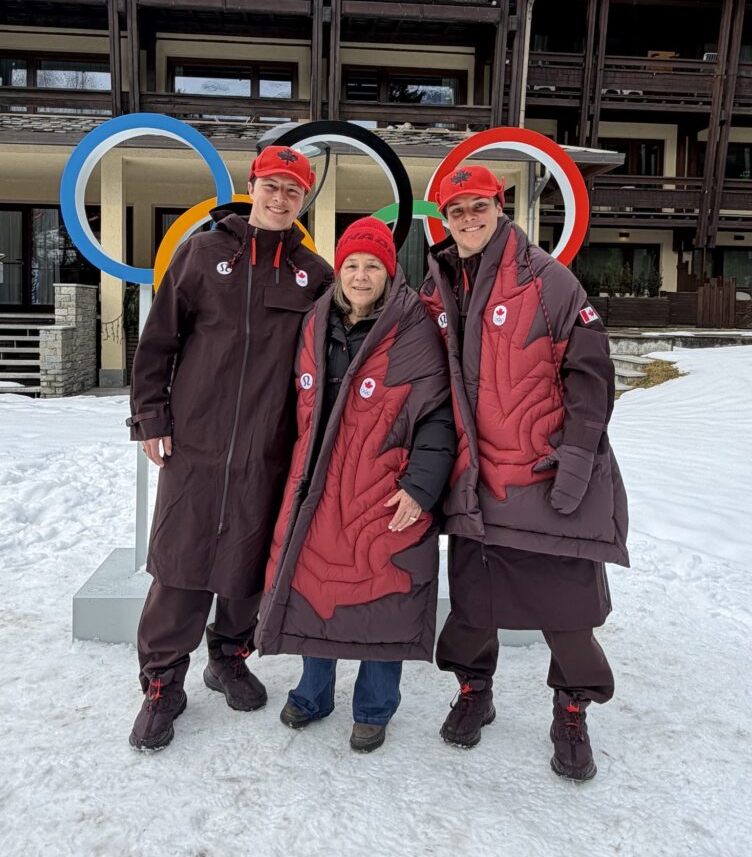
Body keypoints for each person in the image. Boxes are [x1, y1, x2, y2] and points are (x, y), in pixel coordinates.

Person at [419, 164, 629, 781]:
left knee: (566, 612)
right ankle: (474, 691)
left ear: (500, 206)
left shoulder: (549, 280)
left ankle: (571, 709)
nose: (467, 218)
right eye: (456, 210)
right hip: (475, 479)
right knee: (473, 606)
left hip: (541, 473)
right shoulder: (438, 284)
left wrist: (578, 459)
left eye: (477, 206)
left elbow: (592, 375)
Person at [126, 144, 333, 751]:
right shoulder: (203, 251)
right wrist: (150, 416)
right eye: (273, 186)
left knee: (248, 563)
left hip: (270, 448)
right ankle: (163, 684)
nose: (280, 198)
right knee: (180, 564)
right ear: (254, 185)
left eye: (293, 191)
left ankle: (229, 657)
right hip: (196, 441)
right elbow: (159, 340)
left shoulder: (313, 274)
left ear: (303, 202)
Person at [256, 217, 456, 753]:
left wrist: (421, 486)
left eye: (372, 265)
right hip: (317, 486)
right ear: (339, 270)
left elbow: (436, 417)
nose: (361, 276)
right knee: (317, 587)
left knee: (382, 595)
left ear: (389, 272)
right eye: (351, 265)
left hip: (385, 488)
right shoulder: (316, 322)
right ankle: (314, 692)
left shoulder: (414, 329)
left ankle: (373, 707)